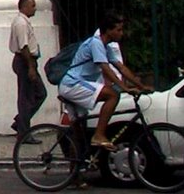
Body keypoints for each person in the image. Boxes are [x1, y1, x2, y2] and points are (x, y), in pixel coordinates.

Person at [59, 11, 141, 150]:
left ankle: (77, 166)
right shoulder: (96, 43)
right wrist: (124, 87)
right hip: (73, 84)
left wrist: (141, 85)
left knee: (79, 131)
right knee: (113, 95)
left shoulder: (106, 47)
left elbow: (121, 67)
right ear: (108, 31)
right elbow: (105, 68)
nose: (122, 33)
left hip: (77, 85)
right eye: (118, 30)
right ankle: (99, 135)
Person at [9, 0, 47, 141]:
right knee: (26, 98)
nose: (35, 8)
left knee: (39, 93)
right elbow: (23, 46)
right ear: (24, 7)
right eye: (32, 5)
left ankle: (21, 122)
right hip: (25, 62)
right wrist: (30, 67)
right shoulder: (21, 23)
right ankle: (24, 132)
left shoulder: (24, 22)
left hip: (28, 61)